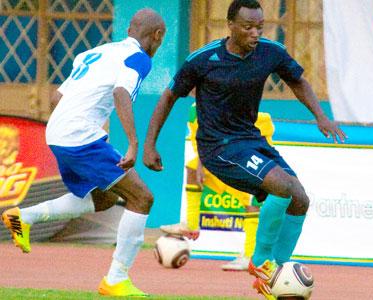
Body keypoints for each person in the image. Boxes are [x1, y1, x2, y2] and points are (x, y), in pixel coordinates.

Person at [143, 0, 346, 298]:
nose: (255, 33)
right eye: (248, 27)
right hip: (217, 147)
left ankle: (273, 272)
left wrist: (320, 116)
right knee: (282, 188)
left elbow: (297, 80)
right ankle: (262, 262)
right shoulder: (204, 59)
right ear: (231, 26)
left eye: (260, 27)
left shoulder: (269, 53)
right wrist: (149, 145)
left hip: (250, 140)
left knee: (300, 198)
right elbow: (169, 96)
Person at [1, 8, 165, 298]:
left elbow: (56, 97)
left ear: (128, 31)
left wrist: (71, 127)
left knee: (104, 198)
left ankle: (24, 216)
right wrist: (133, 143)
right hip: (80, 136)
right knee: (142, 197)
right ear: (157, 36)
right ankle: (116, 279)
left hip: (58, 133)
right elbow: (120, 93)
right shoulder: (139, 58)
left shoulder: (96, 52)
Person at [160, 104, 275, 271]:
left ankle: (250, 256)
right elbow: (206, 137)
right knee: (192, 169)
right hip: (223, 151)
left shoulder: (219, 99)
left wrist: (203, 162)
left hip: (250, 146)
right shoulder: (195, 107)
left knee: (251, 199)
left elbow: (218, 132)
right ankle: (191, 224)